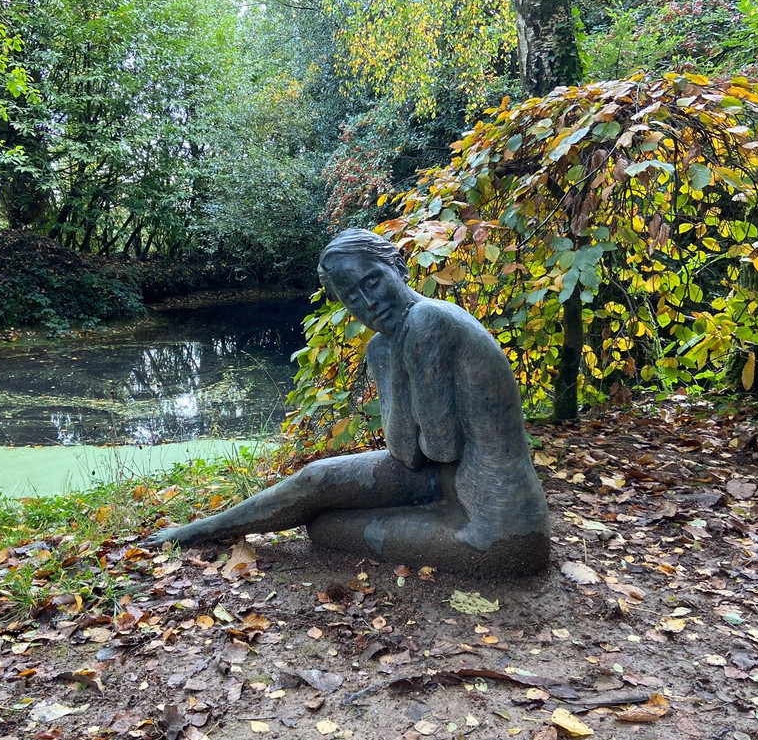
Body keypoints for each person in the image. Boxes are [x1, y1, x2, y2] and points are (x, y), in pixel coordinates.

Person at [147, 228, 550, 575]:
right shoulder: (381, 347)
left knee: (325, 529)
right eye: (352, 297)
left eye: (372, 282)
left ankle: (205, 531)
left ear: (399, 268)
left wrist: (404, 362)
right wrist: (396, 360)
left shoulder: (430, 320)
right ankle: (204, 530)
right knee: (315, 479)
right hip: (440, 485)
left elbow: (442, 446)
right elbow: (405, 453)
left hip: (498, 531)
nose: (368, 303)